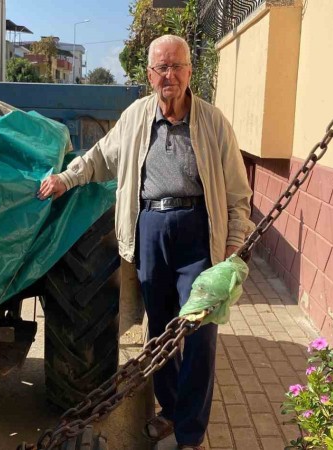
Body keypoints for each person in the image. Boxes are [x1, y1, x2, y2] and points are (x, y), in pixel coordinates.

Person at [38, 34, 253, 450]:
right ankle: (170, 411)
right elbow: (100, 157)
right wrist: (66, 178)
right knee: (161, 330)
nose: (169, 75)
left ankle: (190, 432)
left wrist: (233, 245)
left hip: (198, 232)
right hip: (150, 229)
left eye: (177, 66)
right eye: (161, 68)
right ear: (150, 74)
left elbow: (236, 193)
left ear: (190, 71)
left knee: (200, 329)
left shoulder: (213, 122)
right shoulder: (136, 117)